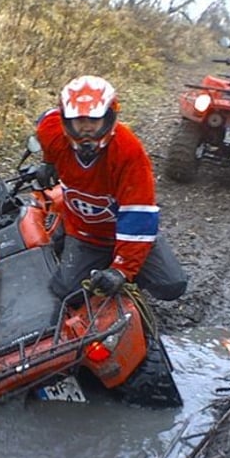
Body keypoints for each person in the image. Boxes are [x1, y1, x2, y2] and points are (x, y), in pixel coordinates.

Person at [33, 75, 188, 300]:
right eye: (79, 122)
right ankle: (65, 237)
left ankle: (130, 272)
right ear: (66, 121)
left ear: (108, 118)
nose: (86, 130)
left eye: (94, 122)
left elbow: (138, 215)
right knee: (67, 294)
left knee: (171, 284)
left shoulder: (129, 152)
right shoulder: (52, 133)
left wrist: (122, 270)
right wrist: (48, 161)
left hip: (122, 231)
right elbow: (46, 119)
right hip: (85, 235)